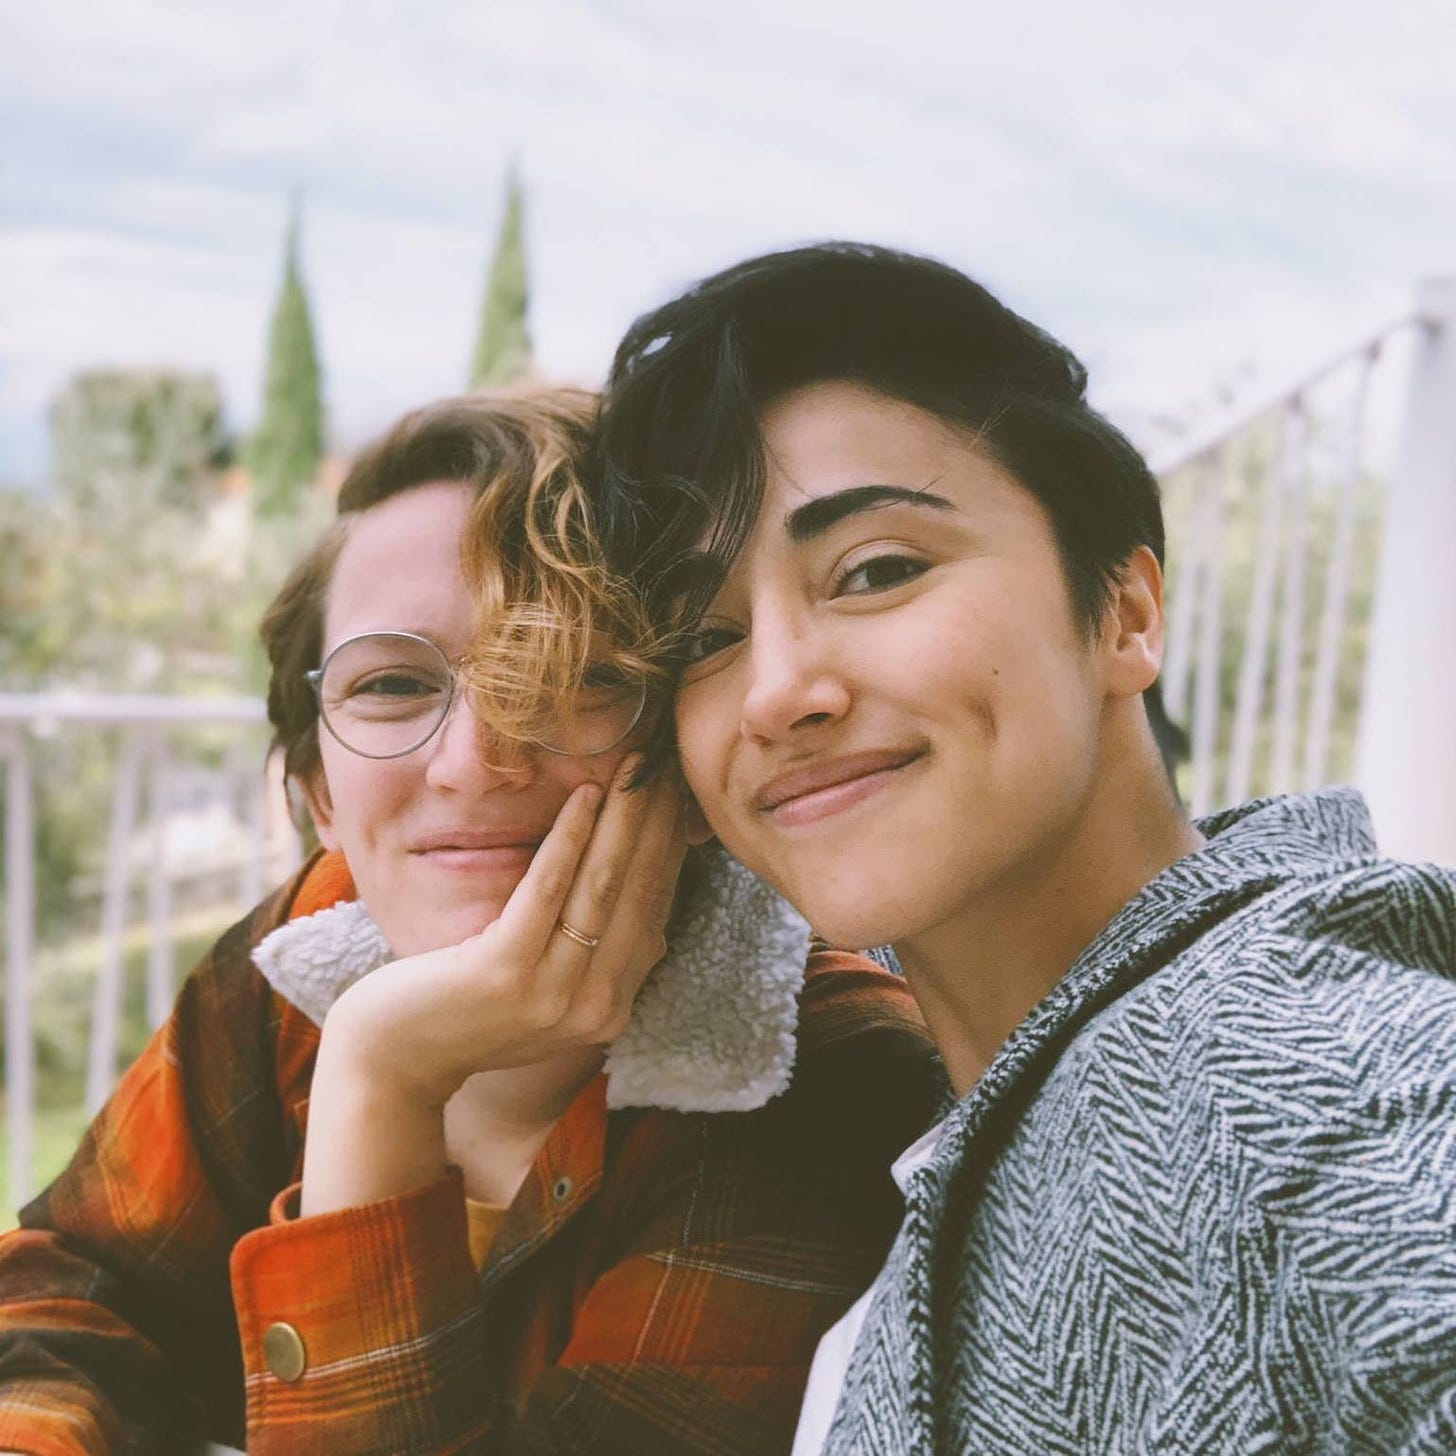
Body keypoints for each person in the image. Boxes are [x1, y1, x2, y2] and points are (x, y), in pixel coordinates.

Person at [596, 243, 1456, 1453]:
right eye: (703, 637)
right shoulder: (945, 1126)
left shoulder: (1287, 1060)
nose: (777, 690)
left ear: (1124, 612)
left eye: (877, 570)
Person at [0, 387, 943, 1455]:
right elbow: (66, 1291)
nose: (474, 761)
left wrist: (383, 1078)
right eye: (395, 684)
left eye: (568, 676)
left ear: (683, 747)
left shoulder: (835, 1079)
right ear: (318, 789)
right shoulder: (307, 939)